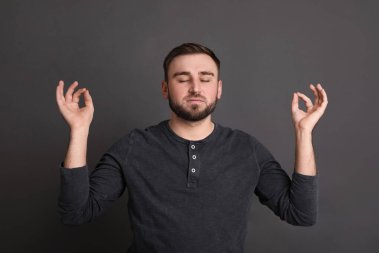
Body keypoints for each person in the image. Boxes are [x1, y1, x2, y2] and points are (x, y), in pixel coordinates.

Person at [56, 42, 328, 253]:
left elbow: (301, 213)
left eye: (206, 78)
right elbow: (76, 212)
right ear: (165, 88)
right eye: (183, 78)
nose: (195, 87)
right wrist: (79, 131)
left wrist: (304, 132)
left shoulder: (247, 149)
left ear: (218, 89)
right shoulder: (133, 146)